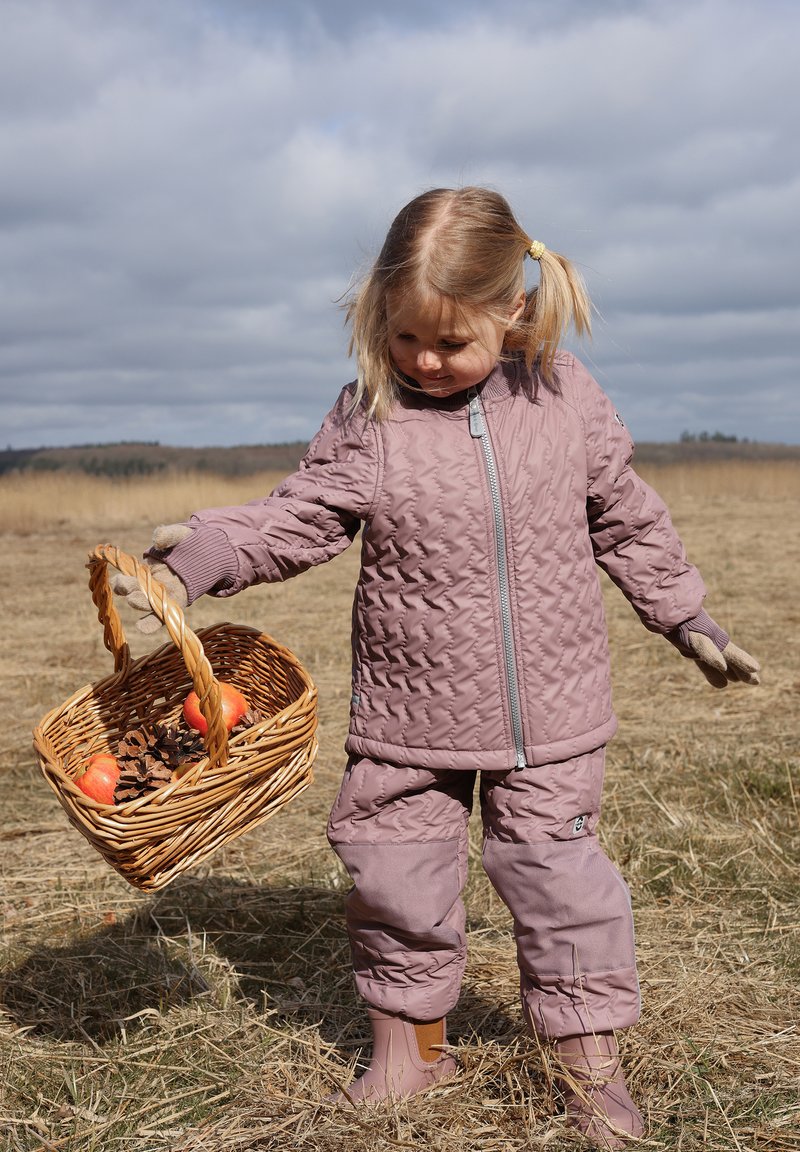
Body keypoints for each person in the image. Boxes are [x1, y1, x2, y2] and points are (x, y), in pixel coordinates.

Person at [113, 187, 760, 1149]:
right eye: (405, 335)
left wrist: (684, 615)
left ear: (512, 310)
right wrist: (202, 556)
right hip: (409, 714)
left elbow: (625, 517)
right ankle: (409, 1052)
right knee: (394, 873)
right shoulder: (371, 412)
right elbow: (302, 516)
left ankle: (589, 1068)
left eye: (450, 342)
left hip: (552, 713)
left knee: (559, 881)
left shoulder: (562, 395)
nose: (424, 360)